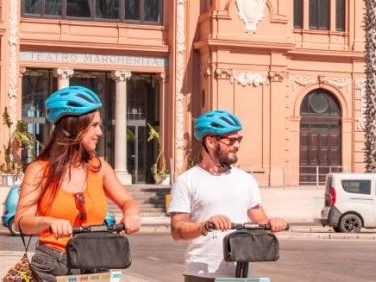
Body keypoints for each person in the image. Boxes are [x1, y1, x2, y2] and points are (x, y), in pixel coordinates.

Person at [14, 86, 141, 282]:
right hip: (52, 266)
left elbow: (128, 201)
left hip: (96, 263)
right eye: (93, 125)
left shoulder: (100, 168)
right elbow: (22, 221)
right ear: (74, 127)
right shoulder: (40, 170)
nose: (99, 132)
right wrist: (49, 222)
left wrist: (131, 213)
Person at [168, 109, 288, 282]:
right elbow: (177, 230)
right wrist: (206, 226)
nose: (237, 145)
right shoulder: (187, 181)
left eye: (239, 139)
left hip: (240, 273)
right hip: (202, 274)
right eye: (231, 140)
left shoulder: (246, 180)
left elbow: (261, 220)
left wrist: (272, 223)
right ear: (210, 141)